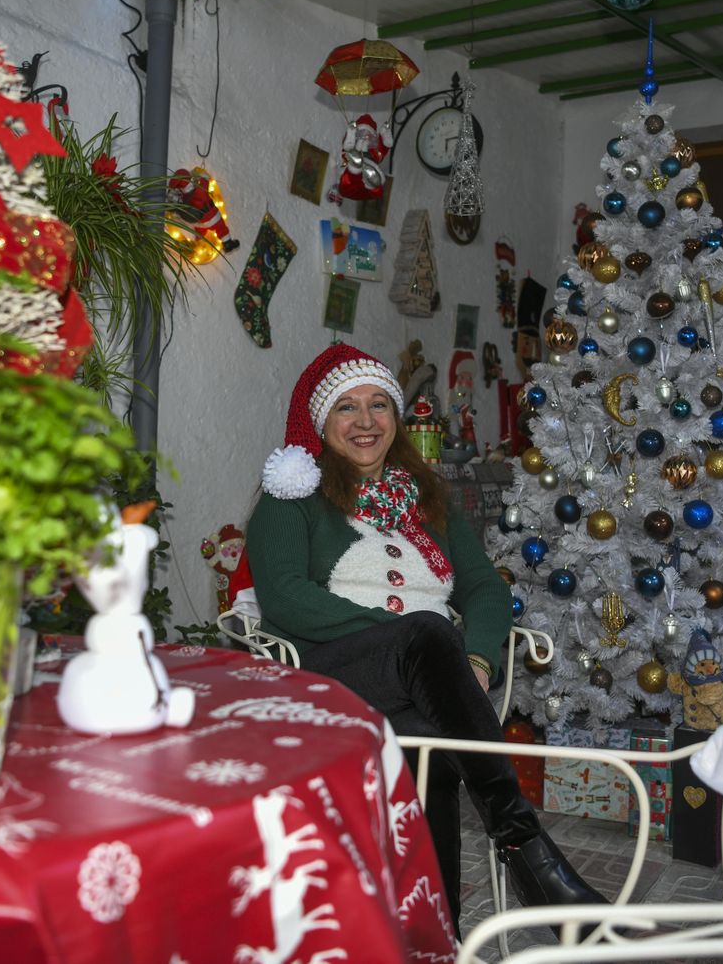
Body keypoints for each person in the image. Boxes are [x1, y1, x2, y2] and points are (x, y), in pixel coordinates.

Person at [246, 343, 604, 930]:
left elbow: (486, 589)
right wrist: (414, 642)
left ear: (397, 417)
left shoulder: (428, 500)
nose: (366, 422)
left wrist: (480, 661)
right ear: (322, 423)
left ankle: (438, 932)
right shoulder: (295, 498)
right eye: (347, 408)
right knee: (427, 633)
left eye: (379, 405)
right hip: (332, 673)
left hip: (429, 685)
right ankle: (527, 850)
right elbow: (287, 598)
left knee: (425, 742)